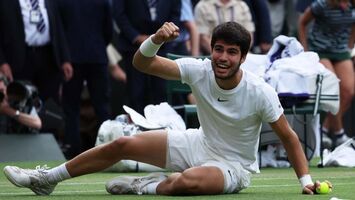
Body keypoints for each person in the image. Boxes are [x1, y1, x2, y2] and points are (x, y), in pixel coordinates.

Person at [3, 22, 322, 196]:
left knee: (186, 183)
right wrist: (155, 39)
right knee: (122, 144)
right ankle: (46, 180)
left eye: (232, 52)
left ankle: (146, 186)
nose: (223, 57)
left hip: (233, 168)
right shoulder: (199, 70)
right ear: (211, 50)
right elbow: (142, 63)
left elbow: (289, 138)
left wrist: (304, 181)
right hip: (197, 143)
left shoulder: (260, 91)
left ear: (242, 57)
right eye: (218, 49)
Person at [57, 0, 113, 158]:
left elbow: (59, 30)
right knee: (102, 106)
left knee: (71, 108)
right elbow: (108, 31)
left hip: (71, 58)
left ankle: (72, 151)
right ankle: (108, 149)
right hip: (97, 56)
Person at [298, 0, 355, 148]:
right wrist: (305, 49)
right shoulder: (321, 5)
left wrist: (350, 46)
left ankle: (323, 128)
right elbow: (302, 22)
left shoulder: (352, 5)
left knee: (348, 92)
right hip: (320, 50)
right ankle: (339, 133)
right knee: (333, 86)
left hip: (341, 50)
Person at [112, 0, 181, 114]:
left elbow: (175, 13)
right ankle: (137, 128)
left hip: (163, 47)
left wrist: (163, 37)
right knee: (136, 92)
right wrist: (136, 37)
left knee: (161, 93)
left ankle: (161, 128)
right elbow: (119, 14)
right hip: (133, 47)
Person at [0, 0, 73, 104]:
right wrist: (2, 62)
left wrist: (65, 59)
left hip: (48, 56)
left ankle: (46, 120)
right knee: (21, 102)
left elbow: (58, 28)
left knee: (50, 103)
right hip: (21, 59)